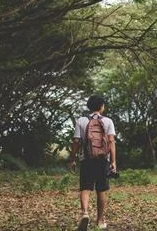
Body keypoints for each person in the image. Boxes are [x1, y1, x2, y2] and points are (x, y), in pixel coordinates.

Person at [69, 95, 116, 231]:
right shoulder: (108, 121)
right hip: (103, 160)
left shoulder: (81, 121)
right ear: (101, 106)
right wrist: (113, 161)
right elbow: (111, 141)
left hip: (86, 159)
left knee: (85, 187)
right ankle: (100, 221)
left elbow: (76, 142)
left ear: (89, 106)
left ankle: (84, 213)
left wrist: (72, 159)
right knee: (101, 189)